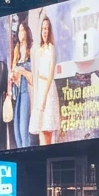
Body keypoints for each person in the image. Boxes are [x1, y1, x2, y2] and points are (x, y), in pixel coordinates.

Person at [31, 14, 60, 145]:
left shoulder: (51, 48)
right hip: (39, 88)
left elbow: (51, 73)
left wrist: (44, 97)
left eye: (47, 29)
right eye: (43, 29)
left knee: (47, 128)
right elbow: (35, 74)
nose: (45, 31)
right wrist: (37, 97)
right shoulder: (38, 50)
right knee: (40, 129)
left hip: (48, 90)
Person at [10, 21, 35, 149]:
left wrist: (22, 71)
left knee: (24, 127)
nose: (20, 34)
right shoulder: (17, 50)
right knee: (17, 129)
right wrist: (13, 76)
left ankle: (26, 150)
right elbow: (13, 70)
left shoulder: (31, 50)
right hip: (18, 92)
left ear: (26, 32)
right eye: (19, 31)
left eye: (22, 30)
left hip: (27, 92)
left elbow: (33, 77)